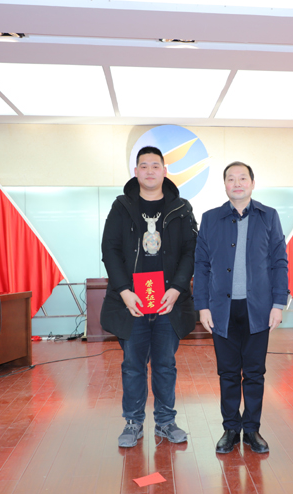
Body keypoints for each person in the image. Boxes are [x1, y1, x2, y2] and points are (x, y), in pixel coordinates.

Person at [100, 146, 197, 448]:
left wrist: (177, 288)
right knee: (133, 366)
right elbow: (110, 250)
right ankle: (133, 422)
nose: (150, 171)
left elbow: (191, 252)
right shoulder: (121, 206)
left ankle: (166, 422)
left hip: (168, 301)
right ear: (136, 171)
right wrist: (124, 291)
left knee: (165, 365)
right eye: (144, 166)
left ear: (165, 171)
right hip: (133, 303)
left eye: (156, 165)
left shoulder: (181, 208)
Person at [193, 161, 288, 455]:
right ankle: (231, 429)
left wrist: (278, 303)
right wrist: (202, 306)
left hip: (258, 309)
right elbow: (201, 265)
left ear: (252, 183)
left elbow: (279, 262)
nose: (237, 183)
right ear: (224, 185)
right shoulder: (210, 219)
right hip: (221, 310)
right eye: (231, 179)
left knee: (255, 373)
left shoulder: (269, 217)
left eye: (242, 178)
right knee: (228, 372)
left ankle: (252, 429)